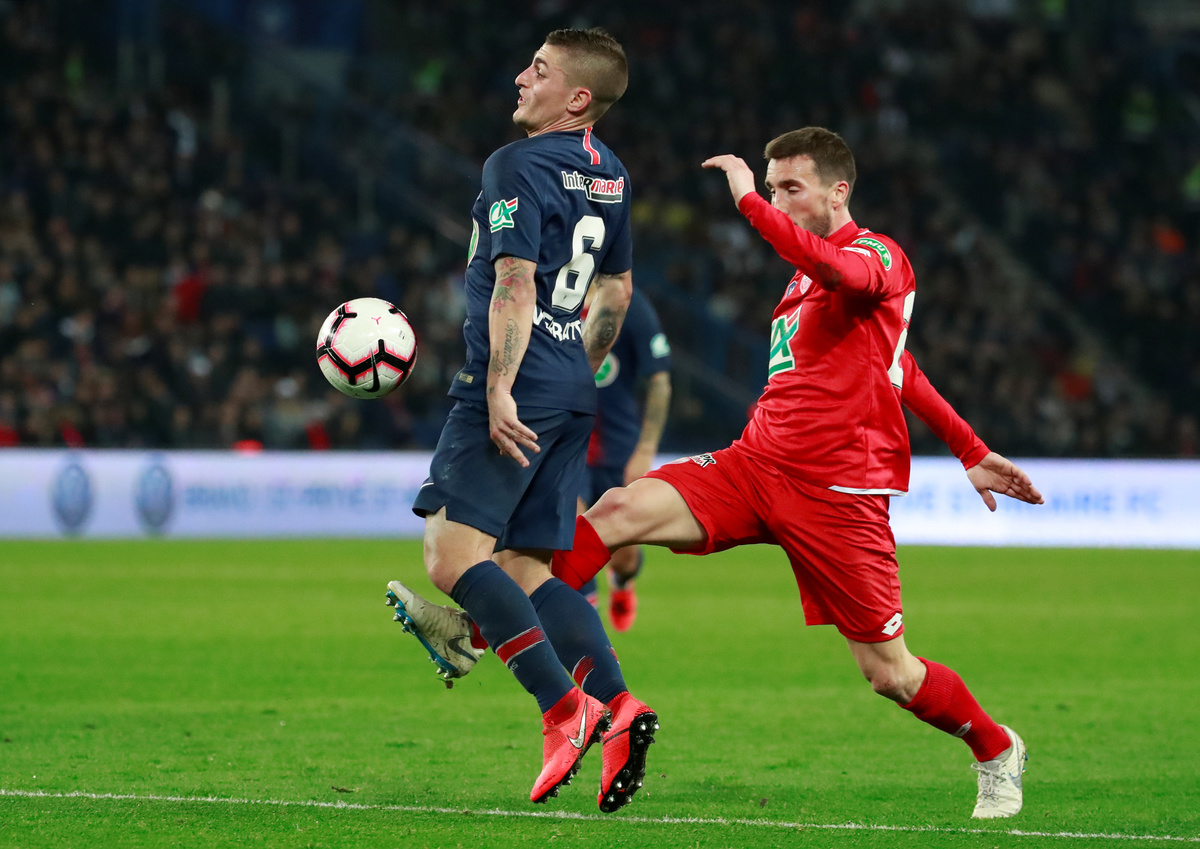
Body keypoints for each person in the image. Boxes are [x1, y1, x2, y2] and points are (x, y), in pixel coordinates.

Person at [549, 127, 1045, 820]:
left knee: (890, 673)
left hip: (839, 495)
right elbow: (898, 365)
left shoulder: (876, 255)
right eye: (772, 188)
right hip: (754, 465)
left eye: (791, 188)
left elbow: (858, 297)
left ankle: (996, 749)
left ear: (838, 192)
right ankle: (484, 626)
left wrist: (749, 203)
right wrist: (970, 449)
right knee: (615, 511)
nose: (779, 200)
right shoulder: (802, 276)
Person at [383, 28, 658, 813]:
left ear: (578, 97)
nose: (519, 78)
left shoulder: (516, 164)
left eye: (538, 71)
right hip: (571, 385)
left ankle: (563, 708)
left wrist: (502, 386)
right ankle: (618, 705)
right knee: (527, 569)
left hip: (515, 381)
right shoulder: (614, 175)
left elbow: (514, 277)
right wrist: (577, 366)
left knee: (449, 555)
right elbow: (616, 291)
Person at [576, 285, 672, 631]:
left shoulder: (630, 304)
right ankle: (584, 627)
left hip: (618, 448)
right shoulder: (555, 295)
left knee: (623, 554)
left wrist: (645, 450)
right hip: (568, 444)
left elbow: (659, 380)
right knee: (573, 530)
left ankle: (623, 580)